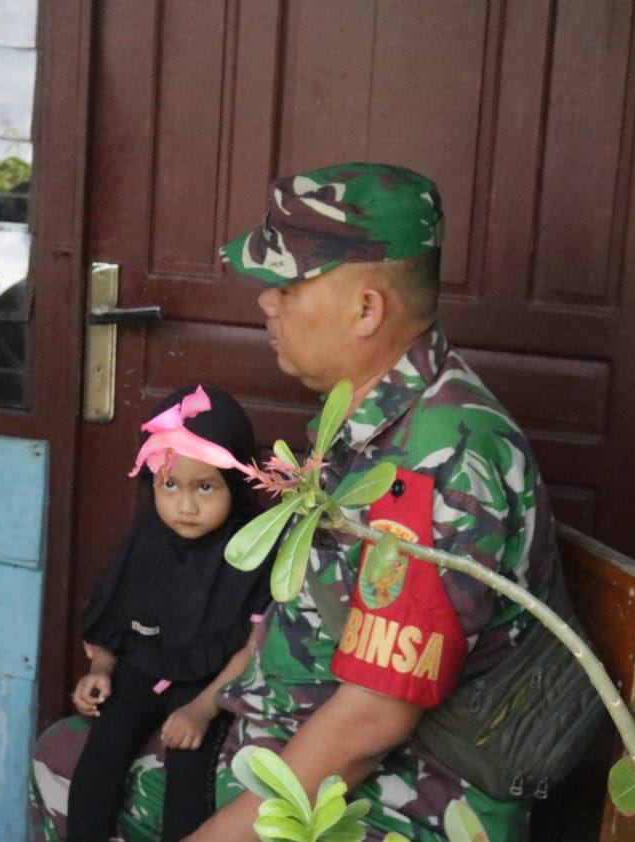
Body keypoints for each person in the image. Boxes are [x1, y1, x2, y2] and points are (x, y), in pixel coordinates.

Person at [188, 163, 562, 841]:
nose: (266, 303)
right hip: (284, 756)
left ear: (367, 308)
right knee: (68, 759)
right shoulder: (371, 418)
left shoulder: (441, 457)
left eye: (288, 285)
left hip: (389, 808)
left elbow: (370, 724)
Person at [30, 385, 270, 841]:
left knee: (185, 779)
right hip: (144, 667)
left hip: (208, 682)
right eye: (170, 485)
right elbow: (117, 614)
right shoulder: (149, 533)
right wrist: (100, 670)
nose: (186, 505)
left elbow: (250, 649)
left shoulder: (250, 548)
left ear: (236, 486)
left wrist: (202, 710)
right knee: (99, 761)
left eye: (205, 487)